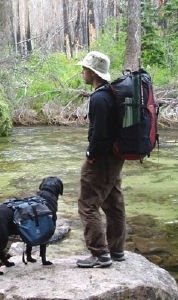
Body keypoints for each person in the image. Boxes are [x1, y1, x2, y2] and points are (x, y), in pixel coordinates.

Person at [76, 51, 126, 268]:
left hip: (102, 159)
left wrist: (91, 155)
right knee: (114, 203)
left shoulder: (99, 97)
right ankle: (116, 251)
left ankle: (100, 254)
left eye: (85, 69)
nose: (82, 72)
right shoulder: (113, 93)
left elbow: (100, 134)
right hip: (116, 157)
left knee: (87, 205)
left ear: (93, 72)